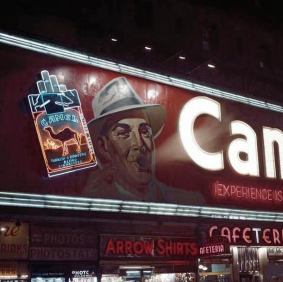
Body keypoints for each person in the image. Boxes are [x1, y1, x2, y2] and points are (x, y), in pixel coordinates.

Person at [83, 76, 205, 205]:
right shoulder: (93, 201)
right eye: (124, 133)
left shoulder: (188, 201)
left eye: (145, 132)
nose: (140, 144)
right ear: (103, 147)